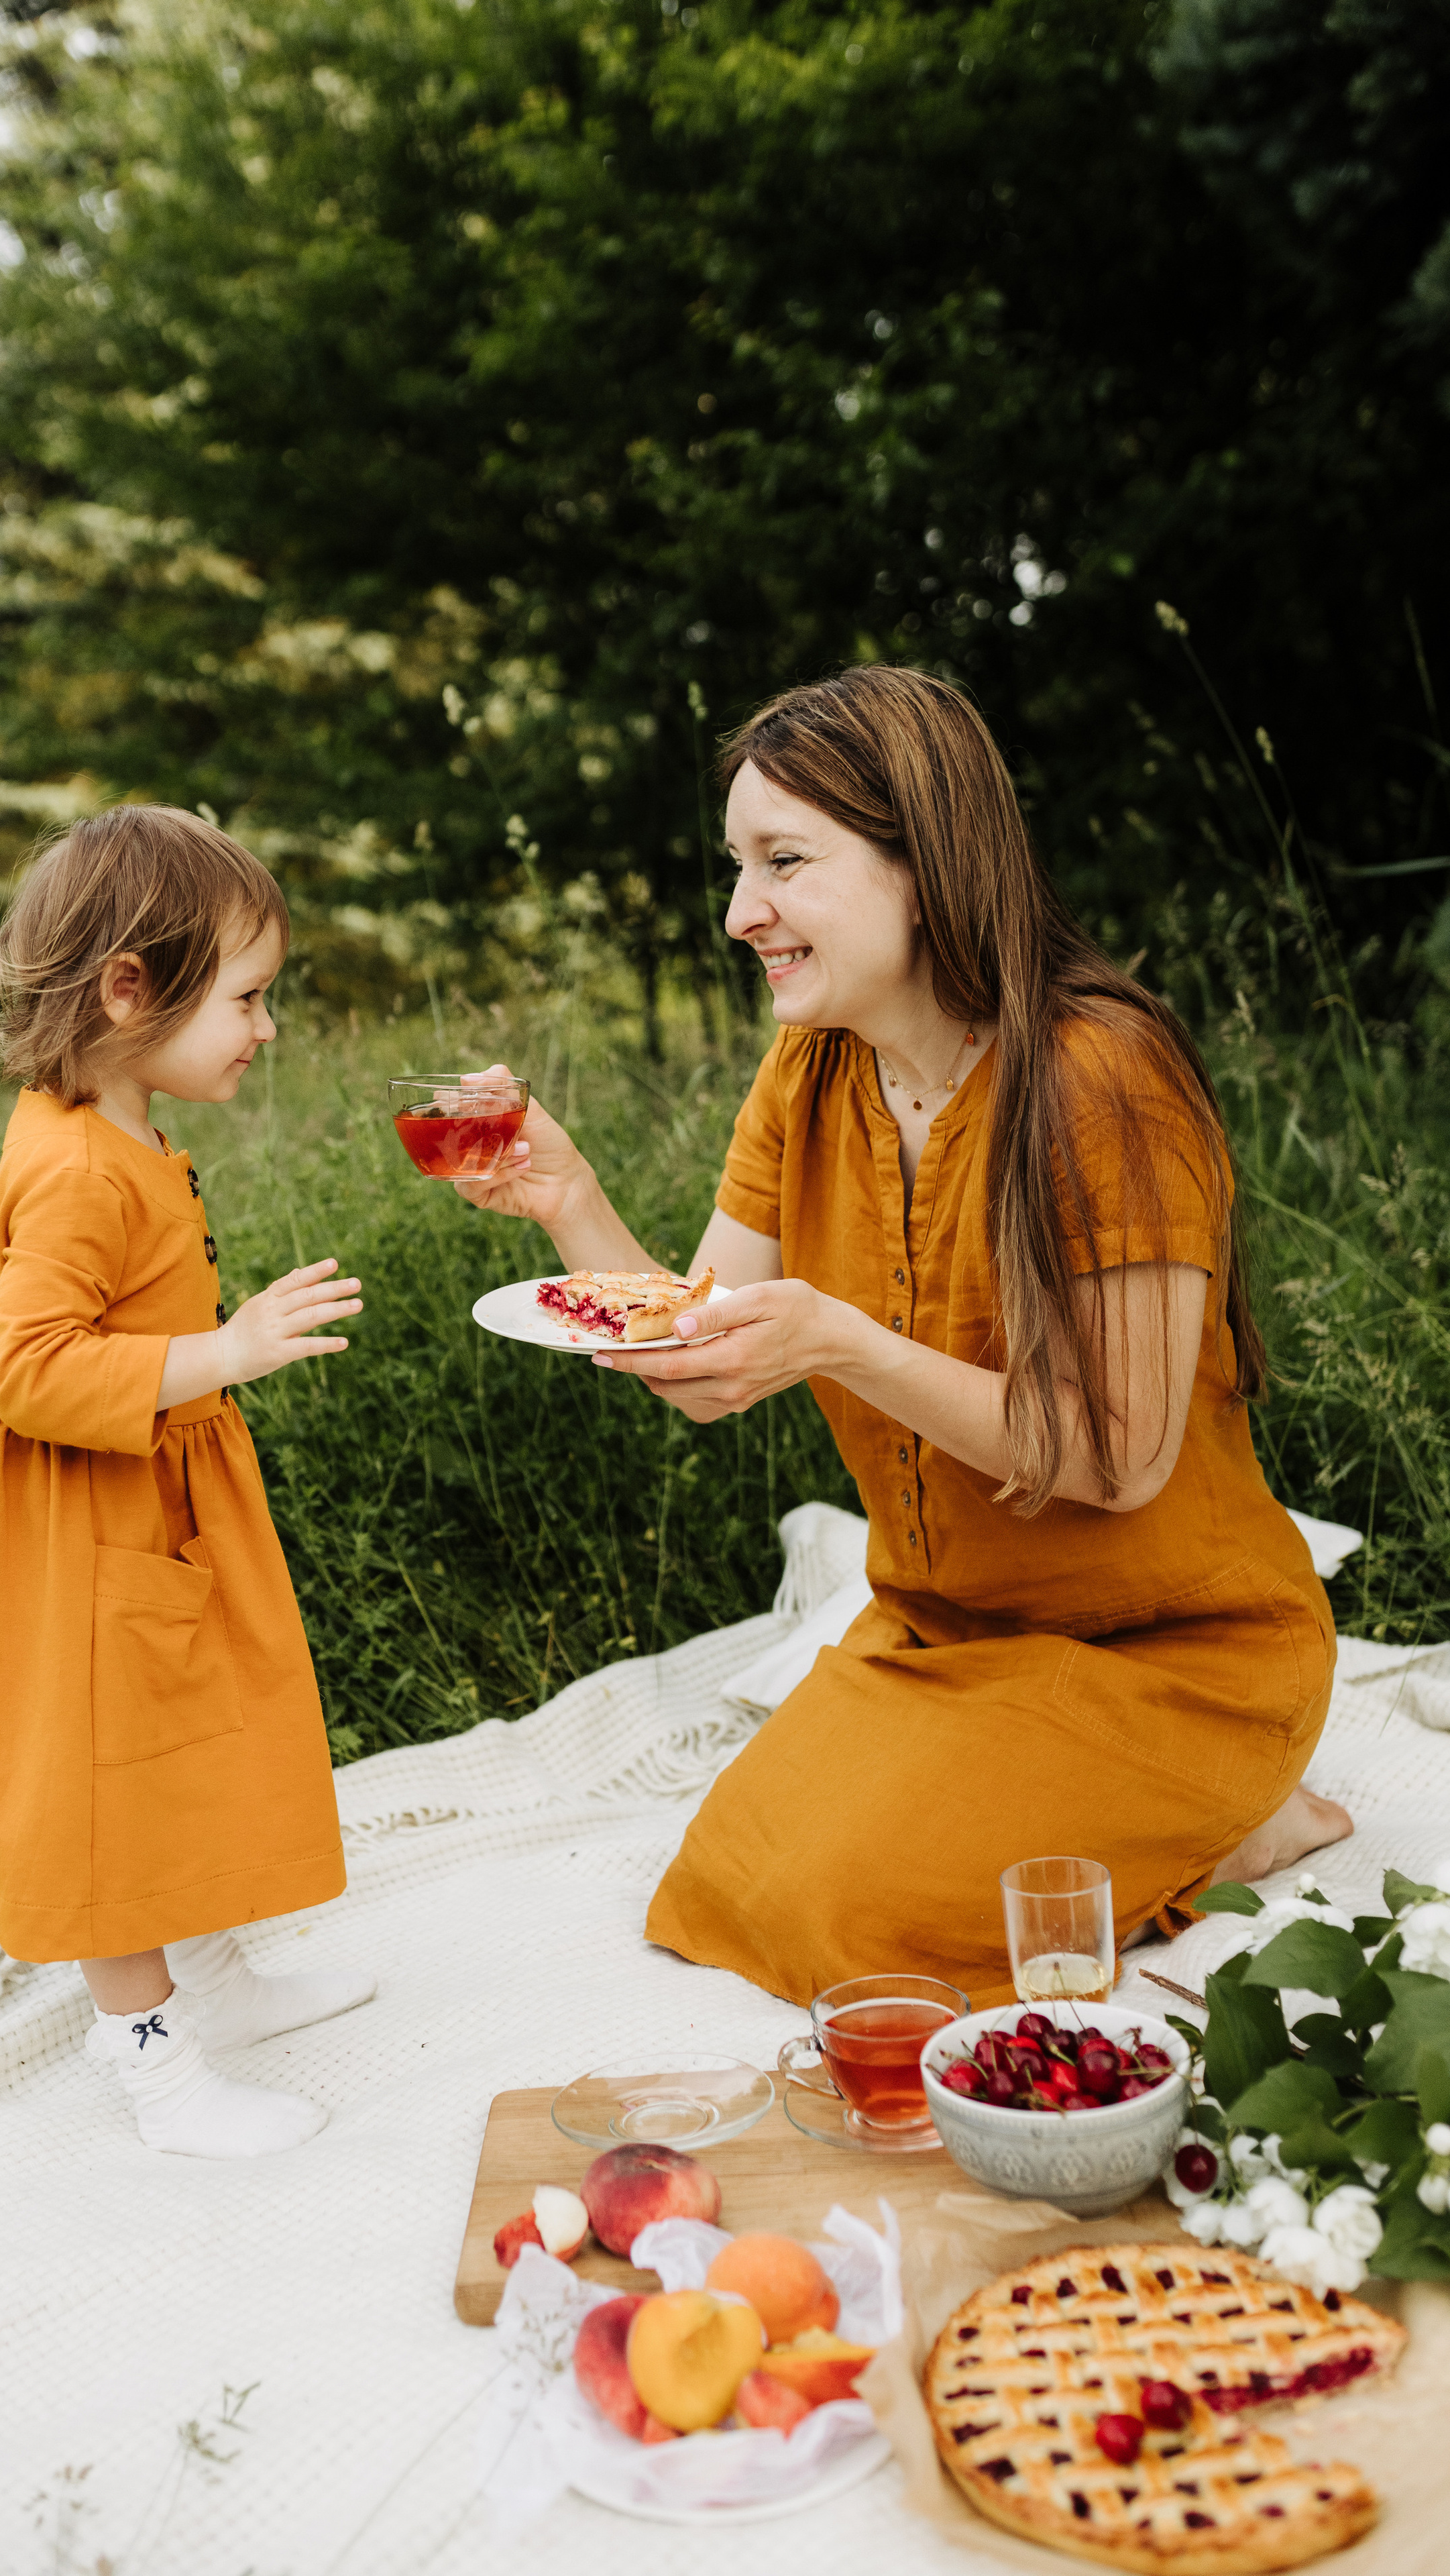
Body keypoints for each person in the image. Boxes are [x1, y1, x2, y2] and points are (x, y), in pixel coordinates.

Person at [455, 665, 1351, 2008]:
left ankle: (1249, 1812)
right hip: (938, 1633)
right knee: (726, 1881)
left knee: (849, 1921)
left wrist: (842, 1341)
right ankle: (1120, 1816)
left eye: (783, 862)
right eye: (737, 867)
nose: (739, 912)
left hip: (1172, 1655)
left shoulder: (1103, 1078)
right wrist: (568, 1200)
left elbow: (1116, 1461)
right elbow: (701, 1369)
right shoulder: (809, 1066)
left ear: (923, 866)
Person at [0, 806, 371, 2153]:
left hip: (147, 1502)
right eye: (247, 998)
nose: (265, 1028)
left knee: (192, 1734)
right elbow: (26, 1370)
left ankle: (214, 1971)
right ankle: (151, 2058)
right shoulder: (77, 1172)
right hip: (82, 1528)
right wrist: (224, 1351)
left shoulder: (113, 1126)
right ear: (128, 989)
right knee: (108, 1783)